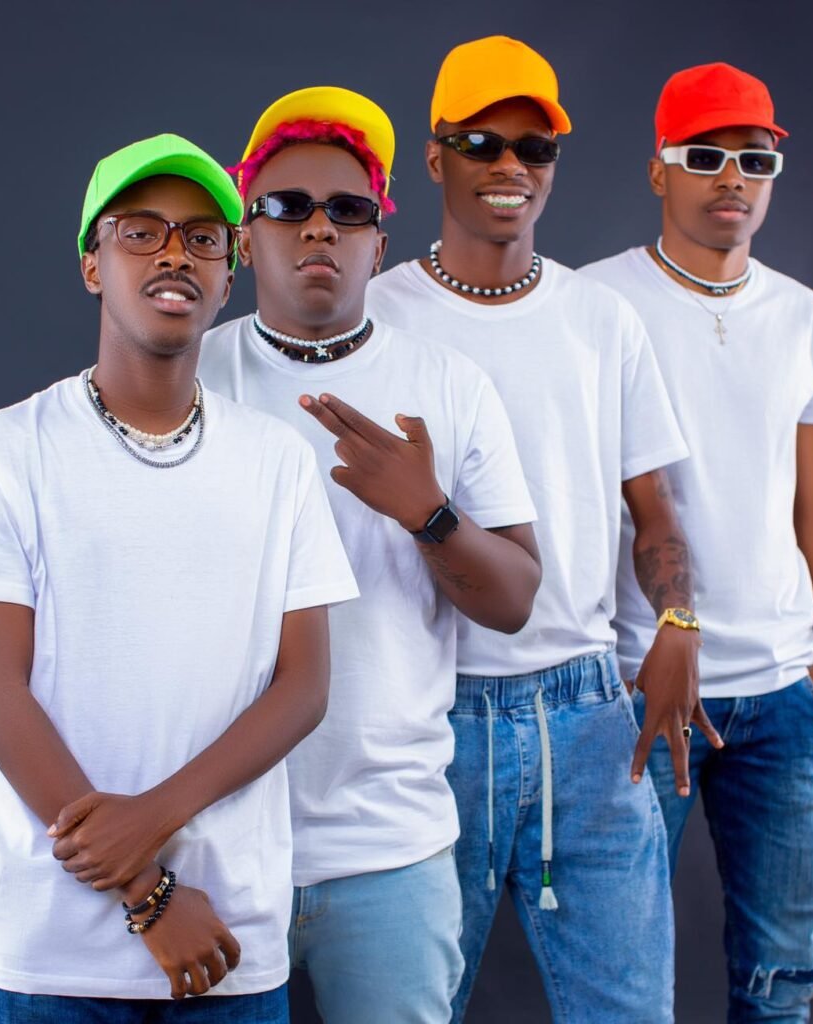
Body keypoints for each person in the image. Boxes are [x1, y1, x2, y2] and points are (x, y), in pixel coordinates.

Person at [0, 133, 359, 1023]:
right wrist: (149, 895)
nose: (174, 254)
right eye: (141, 231)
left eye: (203, 238)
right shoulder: (5, 450)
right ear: (92, 264)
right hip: (47, 955)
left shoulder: (276, 460)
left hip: (230, 943)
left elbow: (304, 687)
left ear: (228, 277)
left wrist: (150, 820)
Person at [368, 36, 709, 1024]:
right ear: (435, 157)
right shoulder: (378, 316)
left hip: (590, 717)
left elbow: (654, 510)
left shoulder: (601, 319)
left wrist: (679, 623)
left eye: (534, 146)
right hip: (429, 719)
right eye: (481, 143)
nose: (509, 165)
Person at [199, 86, 541, 1024]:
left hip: (391, 846)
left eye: (348, 210)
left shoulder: (448, 384)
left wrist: (430, 515)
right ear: (245, 238)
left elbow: (515, 601)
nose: (320, 228)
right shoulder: (192, 377)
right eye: (287, 207)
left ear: (378, 245)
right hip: (217, 840)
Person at [580, 62, 813, 1022]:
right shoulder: (596, 303)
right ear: (657, 171)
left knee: (780, 986)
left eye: (755, 159)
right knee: (623, 984)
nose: (733, 178)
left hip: (786, 702)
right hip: (640, 690)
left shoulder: (803, 318)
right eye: (704, 156)